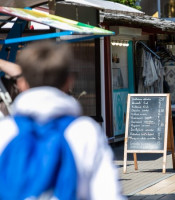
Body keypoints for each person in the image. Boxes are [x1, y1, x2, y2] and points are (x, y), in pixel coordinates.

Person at [0, 41, 126, 200]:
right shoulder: (85, 131)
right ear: (69, 81)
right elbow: (107, 194)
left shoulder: (5, 130)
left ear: (21, 83)